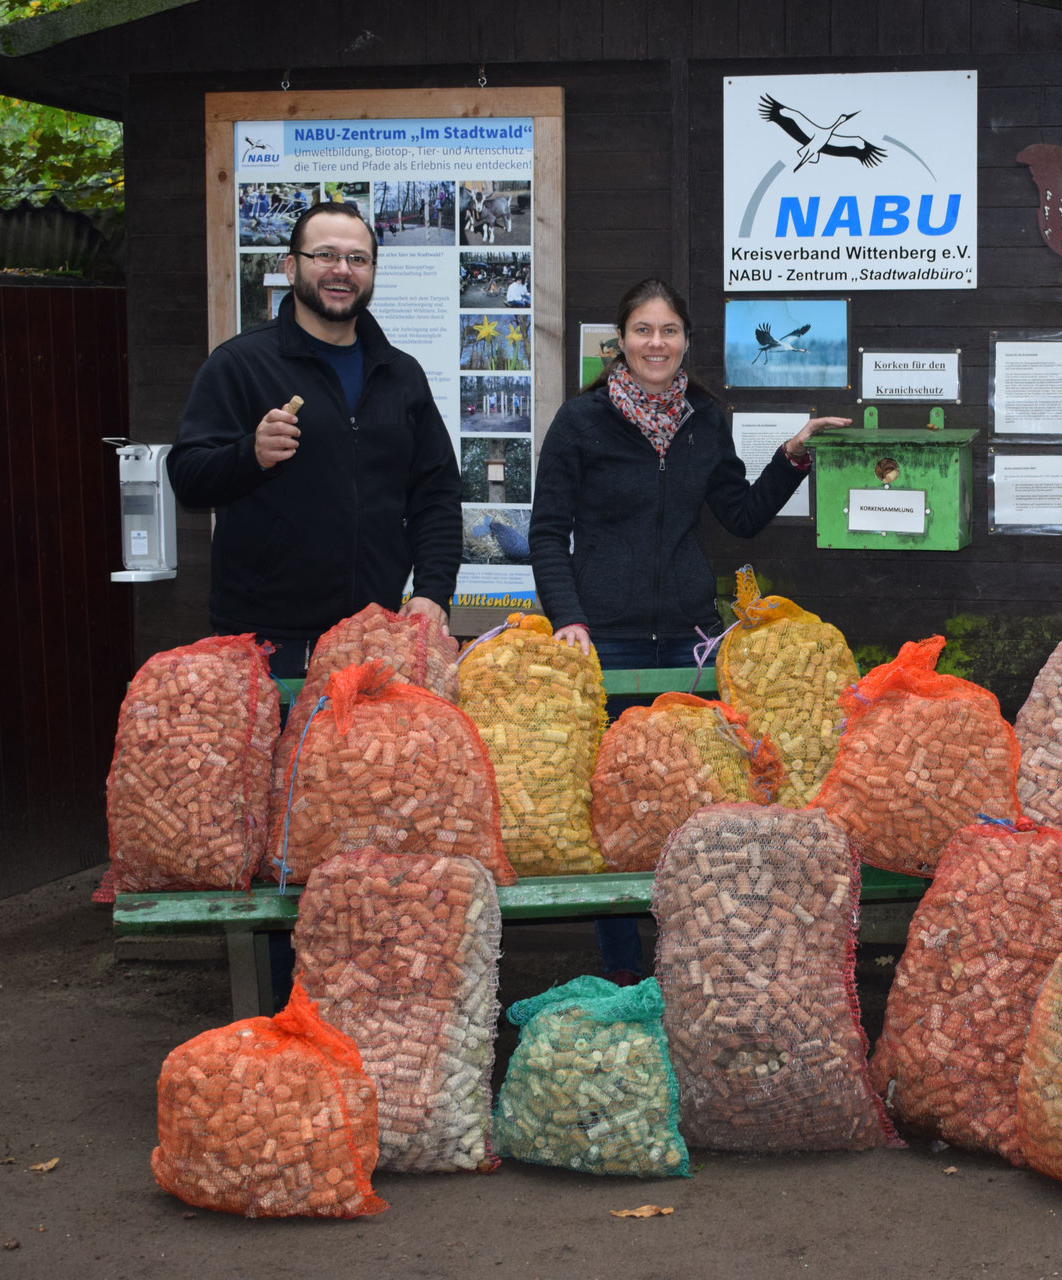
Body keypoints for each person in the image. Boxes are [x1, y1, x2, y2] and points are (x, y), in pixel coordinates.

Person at [529, 277, 848, 984]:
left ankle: (697, 968)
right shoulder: (581, 422)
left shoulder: (705, 418)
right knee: (615, 815)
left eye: (669, 331)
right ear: (621, 340)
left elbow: (738, 514)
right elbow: (548, 533)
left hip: (688, 644)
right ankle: (625, 978)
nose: (656, 344)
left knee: (697, 809)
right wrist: (569, 619)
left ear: (685, 341)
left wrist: (793, 456)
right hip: (605, 644)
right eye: (643, 330)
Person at [169, 201, 461, 680]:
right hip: (265, 640)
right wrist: (252, 456)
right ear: (291, 267)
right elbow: (188, 478)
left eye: (358, 259)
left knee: (357, 759)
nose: (342, 270)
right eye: (325, 255)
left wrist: (432, 590)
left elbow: (437, 494)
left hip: (375, 633)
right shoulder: (241, 364)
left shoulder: (400, 373)